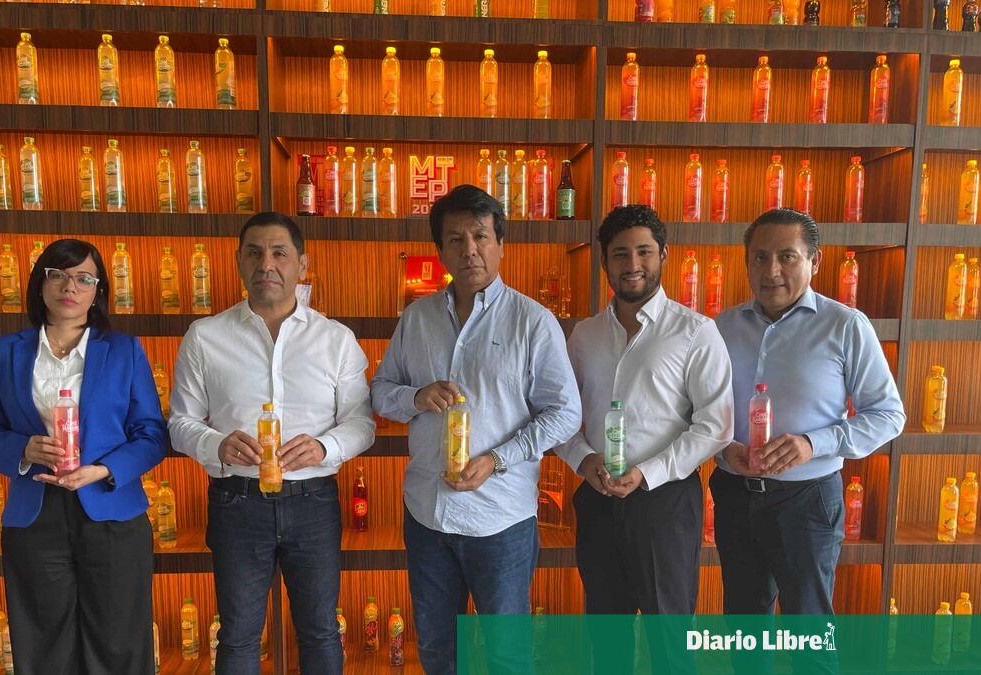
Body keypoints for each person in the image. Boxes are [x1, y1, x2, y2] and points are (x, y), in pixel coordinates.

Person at [371, 185, 581, 675]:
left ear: (501, 244)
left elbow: (564, 412)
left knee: (507, 657)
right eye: (456, 239)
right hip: (427, 516)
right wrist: (415, 397)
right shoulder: (417, 318)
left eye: (481, 236)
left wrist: (498, 458)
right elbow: (380, 391)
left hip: (500, 520)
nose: (470, 250)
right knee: (437, 651)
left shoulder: (533, 321)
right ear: (440, 251)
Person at [169, 212, 375, 674]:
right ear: (239, 262)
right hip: (236, 502)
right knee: (239, 635)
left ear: (302, 264)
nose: (267, 264)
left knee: (321, 630)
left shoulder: (336, 339)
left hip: (313, 502)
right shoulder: (205, 336)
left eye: (279, 253)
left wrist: (324, 448)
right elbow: (180, 423)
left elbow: (362, 424)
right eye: (254, 253)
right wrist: (216, 444)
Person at [0, 238, 167, 674]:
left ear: (99, 291)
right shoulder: (6, 351)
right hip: (34, 515)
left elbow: (152, 435)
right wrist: (22, 448)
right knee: (43, 647)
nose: (69, 286)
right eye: (57, 275)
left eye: (83, 278)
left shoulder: (124, 350)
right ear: (40, 285)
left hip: (111, 511)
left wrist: (103, 469)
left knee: (119, 644)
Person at [712, 209, 904, 655]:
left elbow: (888, 415)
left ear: (815, 261)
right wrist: (724, 448)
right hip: (735, 493)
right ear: (746, 262)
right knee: (743, 625)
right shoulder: (721, 327)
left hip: (807, 501)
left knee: (809, 630)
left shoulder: (845, 325)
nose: (771, 271)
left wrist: (812, 443)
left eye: (787, 256)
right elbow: (703, 410)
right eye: (760, 257)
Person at [559, 205, 733, 673]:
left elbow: (716, 425)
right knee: (607, 637)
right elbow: (562, 415)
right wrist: (583, 459)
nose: (632, 264)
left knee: (669, 638)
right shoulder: (584, 335)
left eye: (644, 251)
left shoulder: (696, 332)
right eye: (620, 253)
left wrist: (647, 472)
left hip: (665, 503)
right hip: (597, 497)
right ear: (604, 262)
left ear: (664, 256)